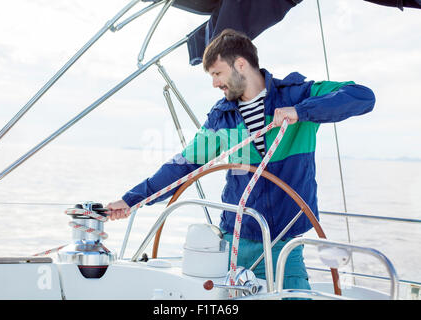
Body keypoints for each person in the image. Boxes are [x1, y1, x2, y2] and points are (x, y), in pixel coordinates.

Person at [106, 29, 375, 290]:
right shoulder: (221, 117)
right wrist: (130, 201)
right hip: (234, 246)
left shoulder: (297, 95)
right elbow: (183, 167)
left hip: (284, 245)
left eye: (217, 73)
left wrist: (301, 111)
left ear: (241, 64)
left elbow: (362, 96)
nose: (214, 83)